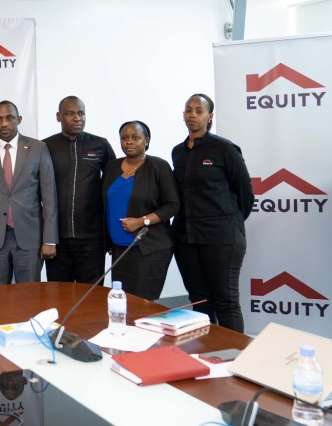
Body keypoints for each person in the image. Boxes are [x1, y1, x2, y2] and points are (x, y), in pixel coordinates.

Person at [172, 94, 255, 332]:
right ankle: (208, 358)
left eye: (199, 111)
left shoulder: (225, 149)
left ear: (210, 116)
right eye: (188, 110)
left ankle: (233, 362)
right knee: (199, 301)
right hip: (186, 238)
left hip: (222, 237)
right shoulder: (178, 152)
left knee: (225, 302)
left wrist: (230, 223)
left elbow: (245, 194)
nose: (192, 115)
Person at [0, 101, 57, 285]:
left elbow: (49, 197)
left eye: (9, 118)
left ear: (19, 120)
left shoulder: (38, 148)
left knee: (30, 296)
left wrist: (49, 239)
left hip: (30, 236)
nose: (4, 124)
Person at [101, 121, 179, 300]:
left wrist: (140, 221)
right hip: (120, 249)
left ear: (147, 141)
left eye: (135, 138)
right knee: (122, 303)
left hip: (149, 249)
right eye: (124, 138)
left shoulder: (158, 166)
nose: (129, 142)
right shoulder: (111, 167)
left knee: (143, 304)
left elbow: (172, 205)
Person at [43, 96, 115, 284]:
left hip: (92, 238)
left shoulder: (100, 145)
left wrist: (110, 235)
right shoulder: (45, 147)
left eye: (81, 113)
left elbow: (113, 186)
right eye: (70, 114)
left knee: (91, 296)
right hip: (57, 239)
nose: (77, 118)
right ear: (59, 117)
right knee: (59, 295)